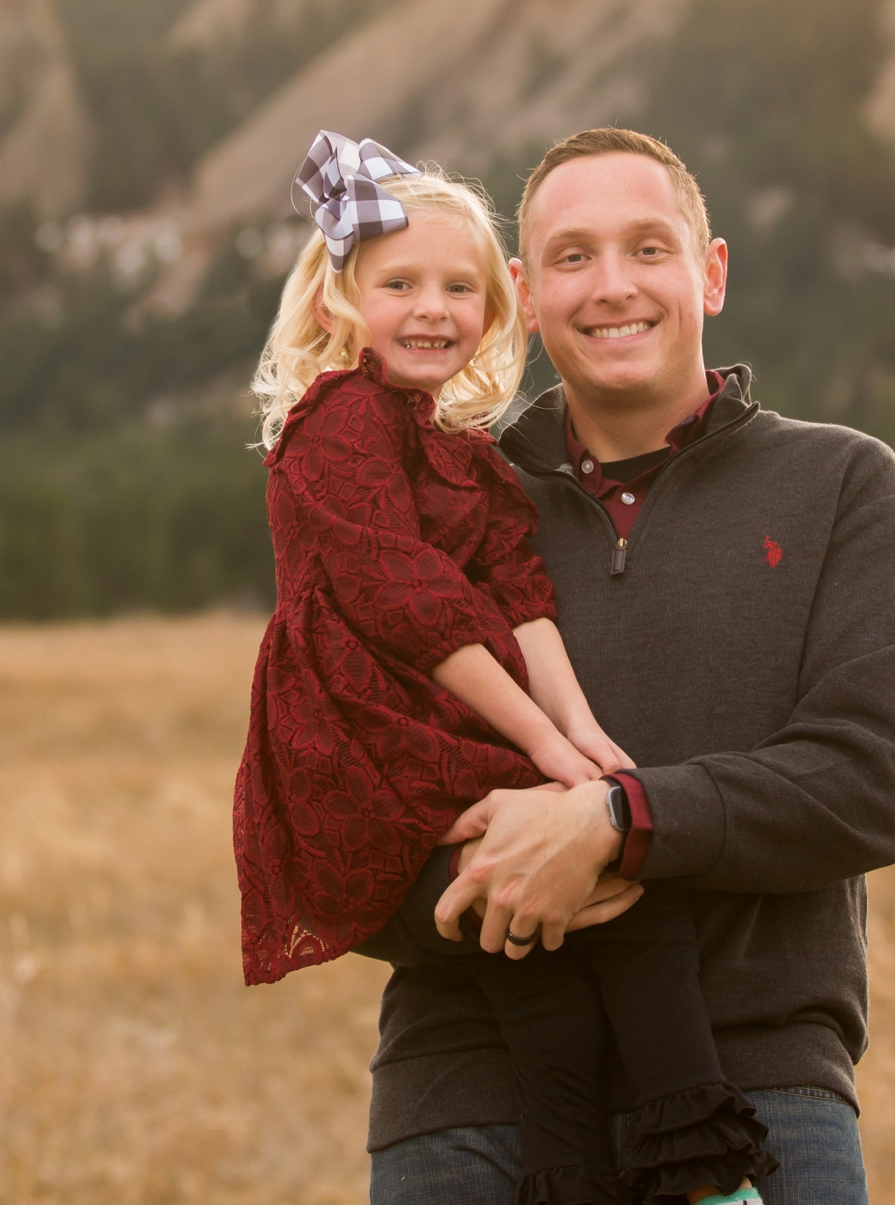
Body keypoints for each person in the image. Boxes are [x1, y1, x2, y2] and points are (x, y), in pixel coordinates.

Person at [359, 127, 895, 1205]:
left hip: (758, 1081)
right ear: (525, 294)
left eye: (648, 247)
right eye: (573, 257)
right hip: (470, 1097)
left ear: (709, 270)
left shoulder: (843, 486)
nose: (612, 285)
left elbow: (866, 783)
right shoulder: (419, 504)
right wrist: (494, 879)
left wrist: (616, 823)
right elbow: (338, 805)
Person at [233, 130, 779, 1203]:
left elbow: (521, 597)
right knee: (621, 902)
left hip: (443, 724)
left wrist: (584, 745)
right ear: (343, 299)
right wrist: (542, 745)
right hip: (368, 733)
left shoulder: (462, 453)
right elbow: (413, 602)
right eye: (400, 283)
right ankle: (707, 1169)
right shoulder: (340, 422)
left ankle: (571, 1176)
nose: (433, 307)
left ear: (496, 307)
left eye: (457, 286)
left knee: (541, 947)